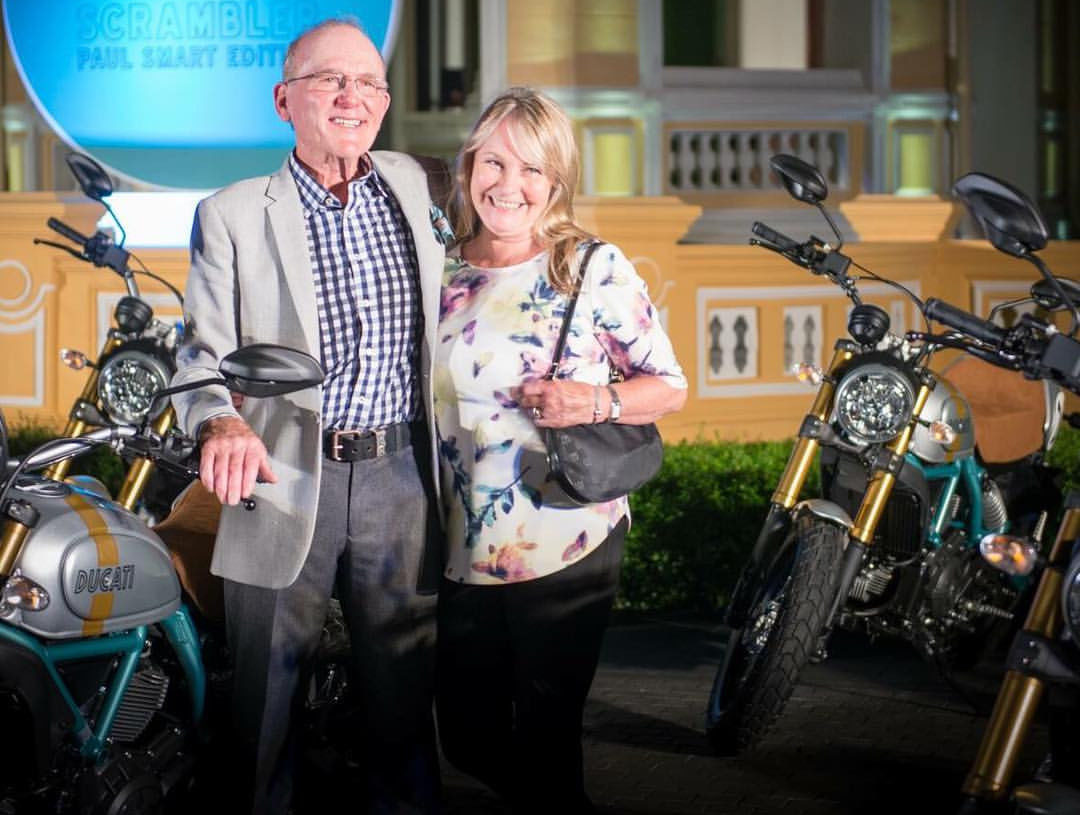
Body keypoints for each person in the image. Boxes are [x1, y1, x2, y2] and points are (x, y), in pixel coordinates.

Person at [170, 18, 445, 815]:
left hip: (402, 479)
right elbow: (202, 355)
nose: (353, 97)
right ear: (284, 99)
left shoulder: (414, 184)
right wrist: (218, 420)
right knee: (264, 707)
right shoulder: (233, 214)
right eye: (332, 81)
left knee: (403, 707)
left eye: (370, 83)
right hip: (284, 474)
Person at [433, 87, 688, 813]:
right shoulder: (445, 269)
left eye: (531, 170)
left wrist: (594, 400)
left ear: (556, 182)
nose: (508, 186)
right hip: (462, 542)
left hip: (567, 533)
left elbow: (669, 384)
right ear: (469, 164)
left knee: (546, 738)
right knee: (467, 735)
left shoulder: (587, 267)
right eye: (494, 162)